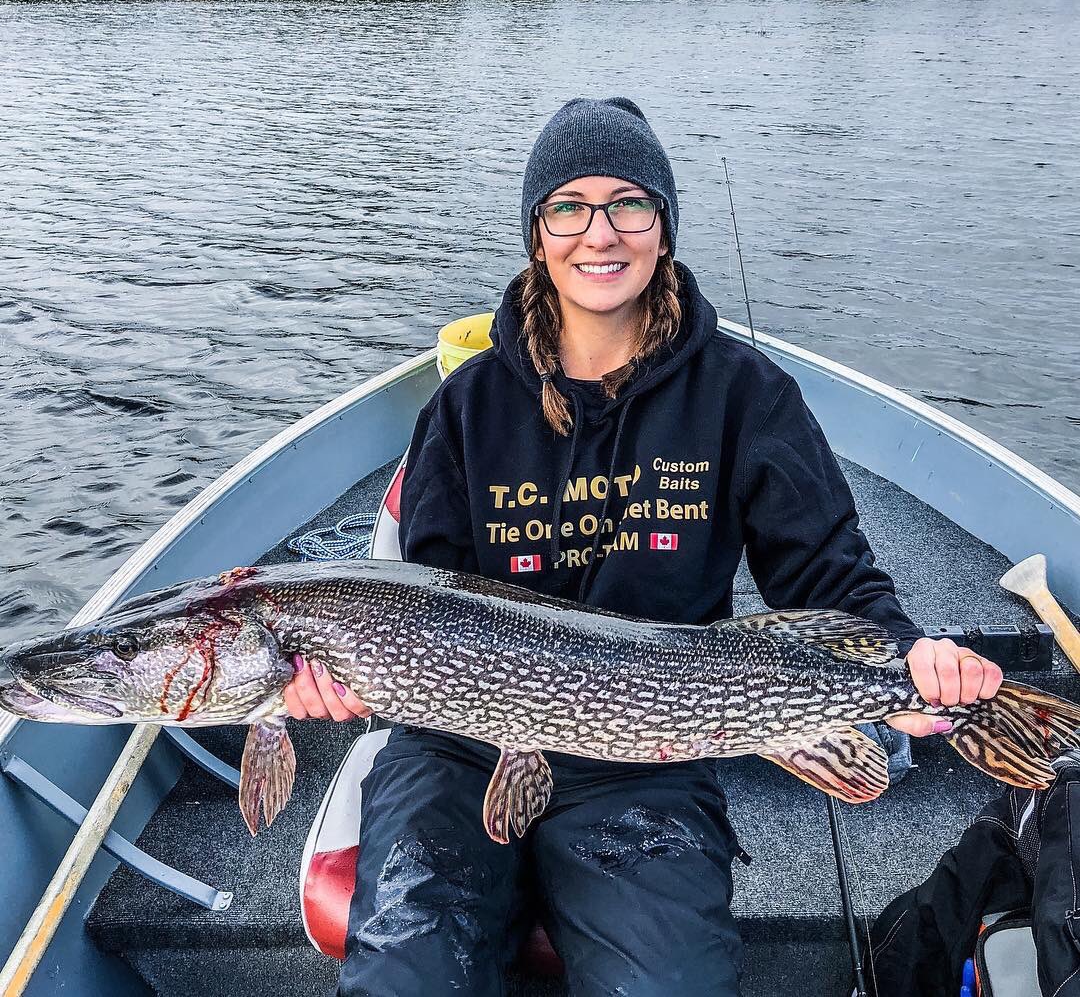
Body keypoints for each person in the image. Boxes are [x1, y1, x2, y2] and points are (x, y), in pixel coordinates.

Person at [283, 96, 1004, 997]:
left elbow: (825, 570)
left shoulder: (745, 395)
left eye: (629, 202)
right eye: (569, 207)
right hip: (458, 748)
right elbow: (425, 600)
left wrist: (909, 657)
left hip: (647, 757)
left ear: (663, 228)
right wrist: (340, 683)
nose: (600, 232)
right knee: (406, 976)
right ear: (538, 234)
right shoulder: (468, 408)